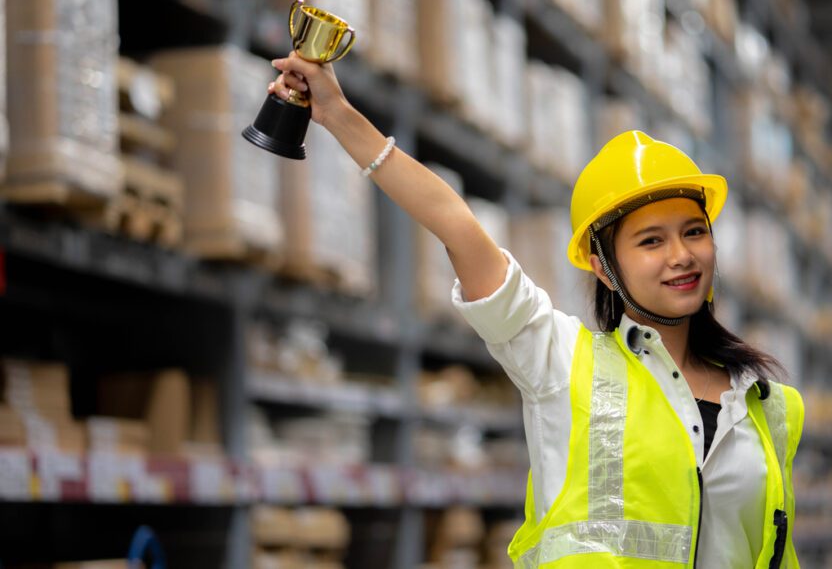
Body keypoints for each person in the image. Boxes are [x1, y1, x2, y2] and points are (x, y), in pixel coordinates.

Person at [269, 52, 804, 569]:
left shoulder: (770, 409)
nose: (681, 256)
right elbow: (456, 224)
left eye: (694, 233)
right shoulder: (558, 361)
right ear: (602, 267)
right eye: (650, 241)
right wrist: (339, 115)